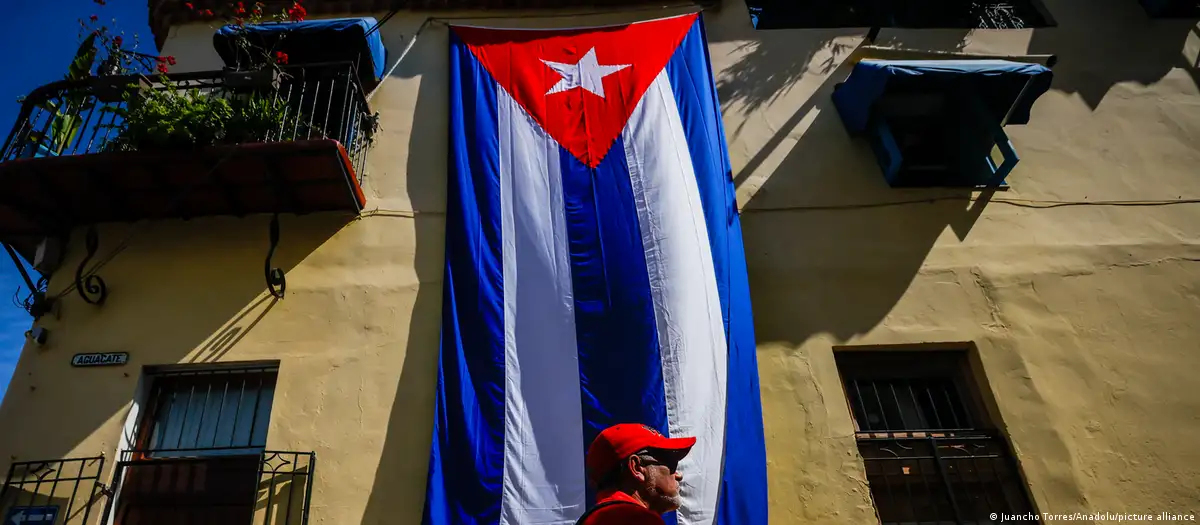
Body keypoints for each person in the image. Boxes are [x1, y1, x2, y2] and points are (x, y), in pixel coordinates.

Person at [576, 423, 696, 525]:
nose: (678, 475)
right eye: (671, 463)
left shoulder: (596, 518)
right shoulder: (636, 519)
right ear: (637, 468)